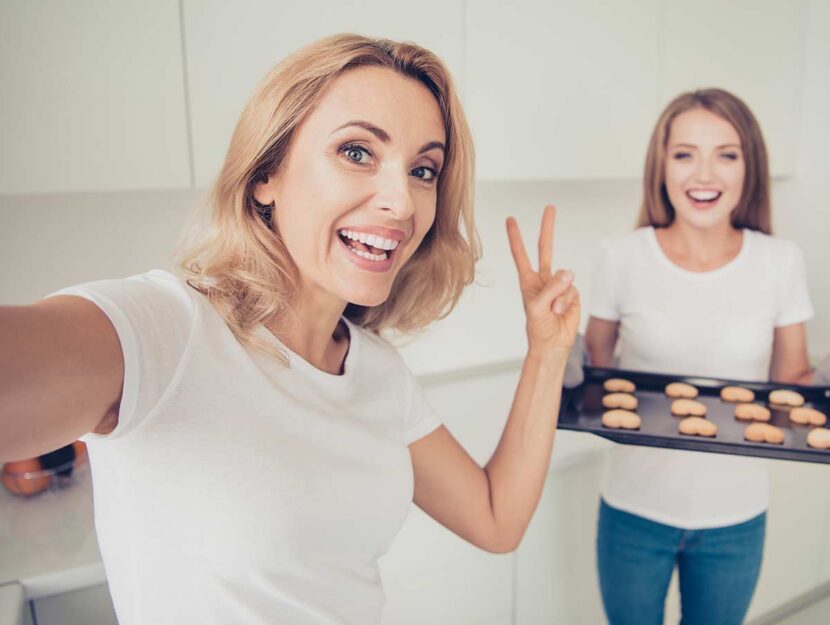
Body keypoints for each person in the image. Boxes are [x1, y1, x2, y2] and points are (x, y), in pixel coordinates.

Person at [0, 34, 579, 625]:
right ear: (266, 174)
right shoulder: (168, 330)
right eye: (356, 152)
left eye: (423, 169)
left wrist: (547, 350)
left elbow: (495, 518)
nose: (402, 202)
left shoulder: (377, 370)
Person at [585, 88, 814, 625]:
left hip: (736, 515)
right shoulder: (620, 257)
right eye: (685, 153)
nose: (703, 174)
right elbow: (596, 379)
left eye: (726, 154)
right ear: (661, 165)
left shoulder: (780, 262)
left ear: (748, 166)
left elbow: (792, 392)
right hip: (632, 508)